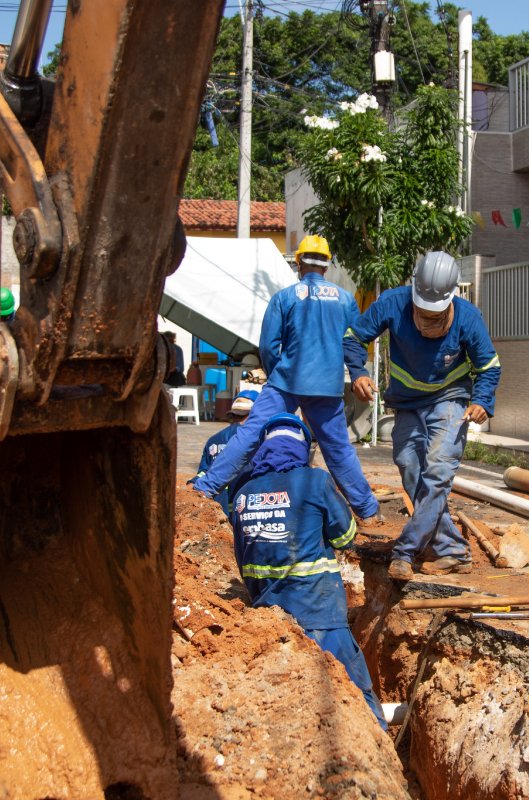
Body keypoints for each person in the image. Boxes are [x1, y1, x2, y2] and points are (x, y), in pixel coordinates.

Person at [192, 235, 380, 522]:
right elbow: (353, 343)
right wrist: (356, 373)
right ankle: (367, 510)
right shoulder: (345, 300)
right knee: (338, 449)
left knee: (250, 435)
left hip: (286, 382)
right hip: (327, 387)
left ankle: (206, 487)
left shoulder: (284, 298)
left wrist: (277, 371)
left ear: (298, 262)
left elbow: (268, 345)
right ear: (327, 266)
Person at [344, 251, 500, 581]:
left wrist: (483, 401)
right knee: (410, 467)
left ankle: (407, 551)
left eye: (436, 315)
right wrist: (358, 372)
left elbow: (489, 367)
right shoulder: (392, 303)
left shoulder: (468, 318)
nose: (429, 320)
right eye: (423, 313)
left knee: (439, 471)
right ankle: (452, 550)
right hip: (407, 403)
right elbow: (354, 337)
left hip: (450, 400)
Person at [229, 413, 387, 730]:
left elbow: (243, 559)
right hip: (320, 615)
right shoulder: (314, 481)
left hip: (271, 622)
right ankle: (380, 750)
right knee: (358, 694)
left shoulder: (242, 496)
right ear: (302, 449)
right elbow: (345, 537)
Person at [189, 388, 260, 508]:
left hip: (218, 507)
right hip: (246, 507)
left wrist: (194, 482)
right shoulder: (257, 440)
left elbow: (203, 472)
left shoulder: (213, 440)